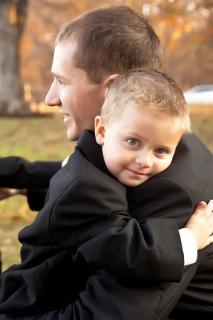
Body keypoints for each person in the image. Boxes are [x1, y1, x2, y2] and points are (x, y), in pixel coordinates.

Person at [0, 5, 213, 320]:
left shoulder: (169, 192)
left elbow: (107, 314)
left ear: (112, 88)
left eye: (62, 81)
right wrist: (22, 182)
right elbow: (84, 181)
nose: (50, 98)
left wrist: (186, 241)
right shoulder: (151, 148)